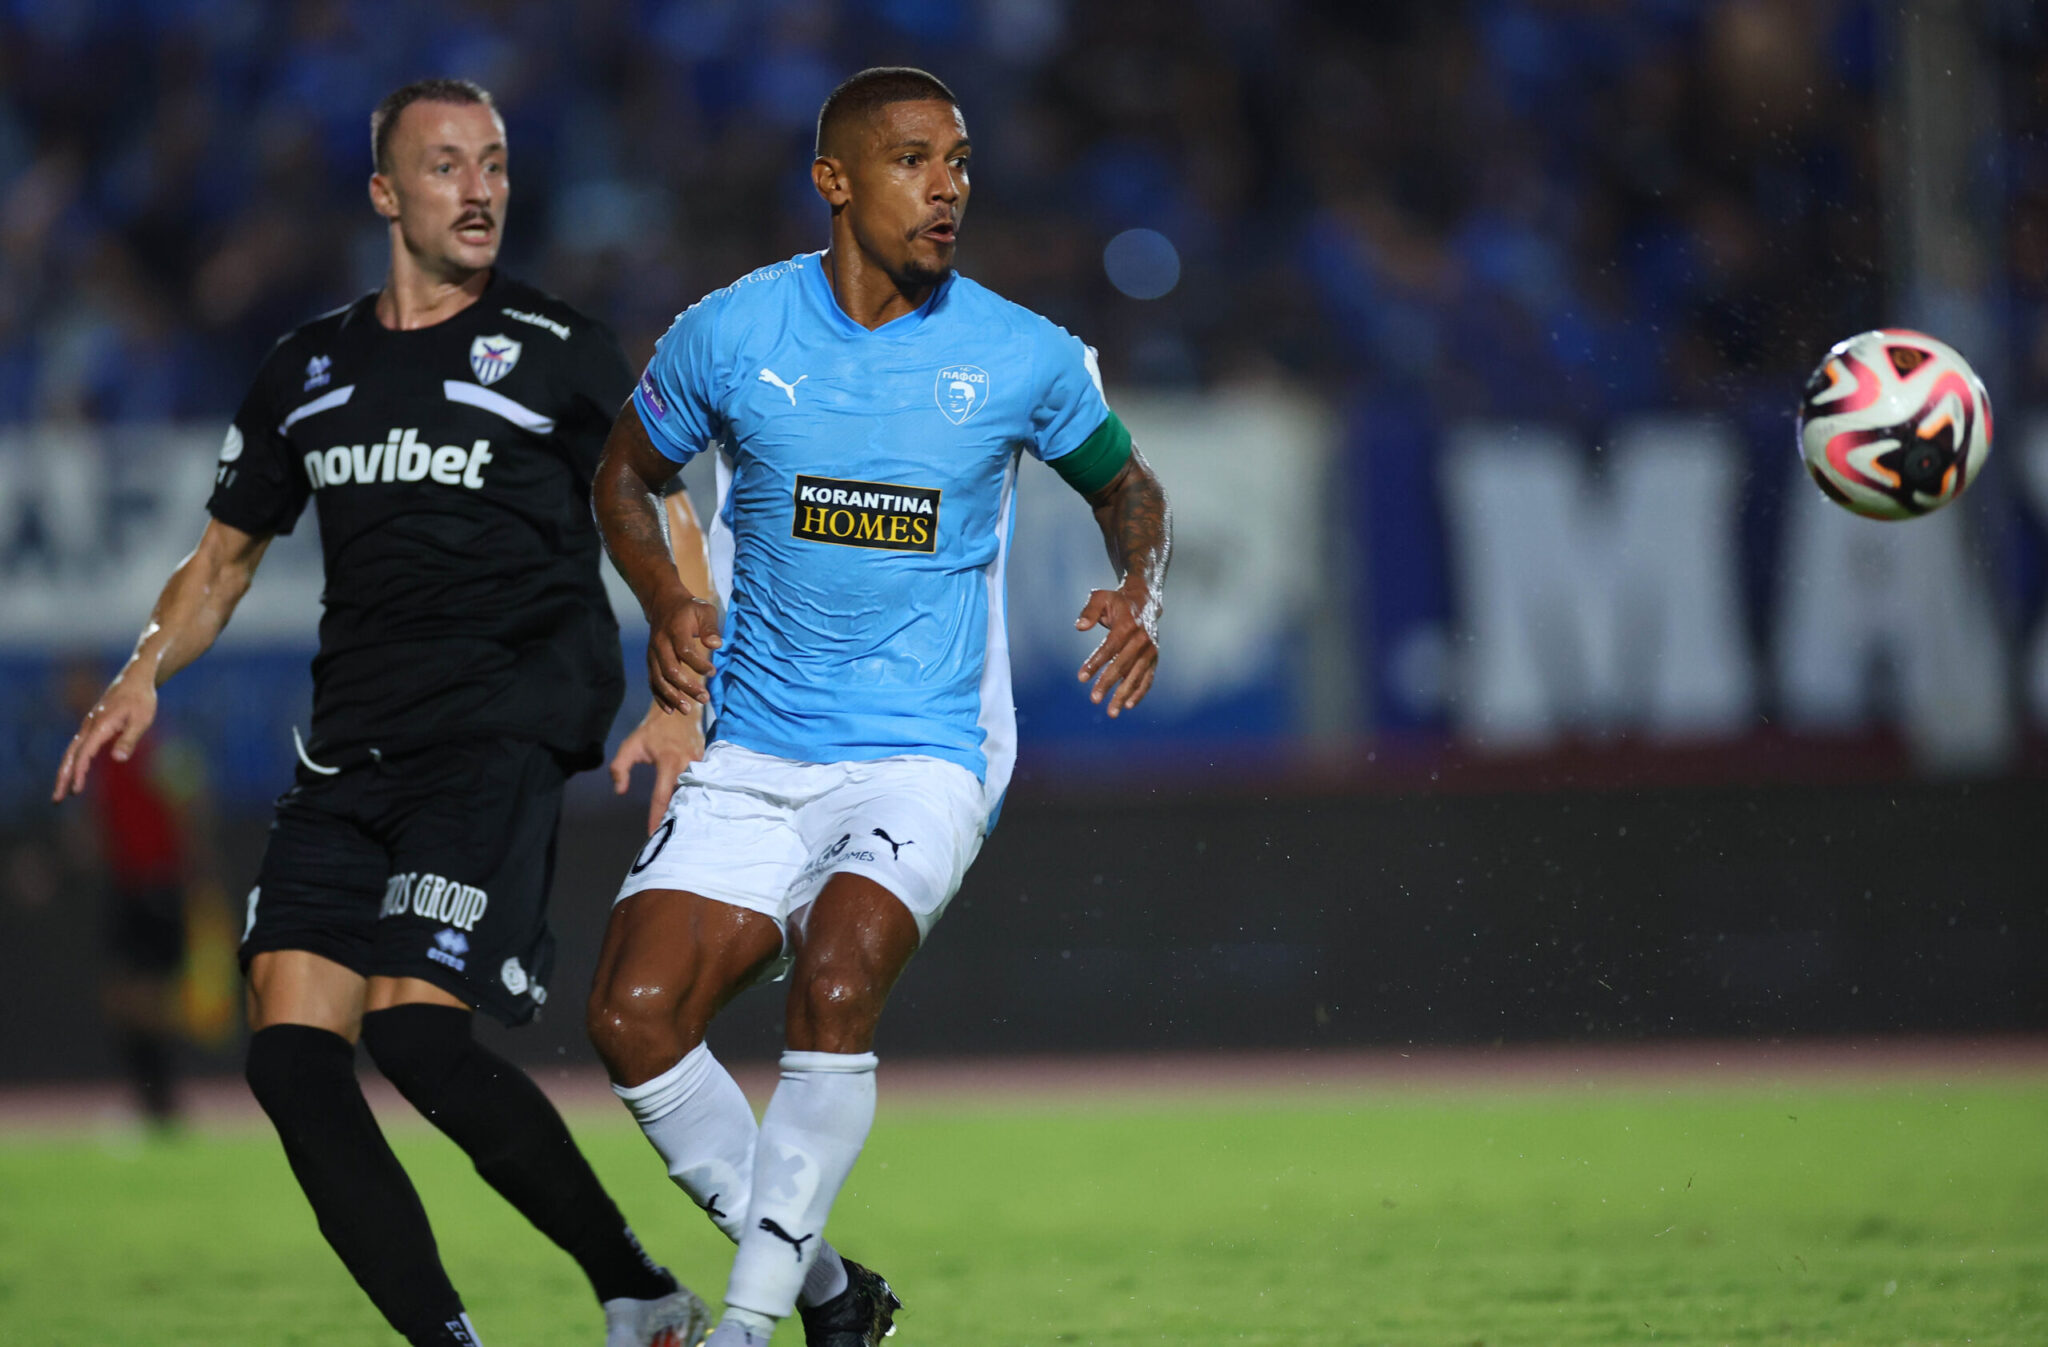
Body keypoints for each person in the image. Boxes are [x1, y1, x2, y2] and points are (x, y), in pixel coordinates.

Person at [53, 78, 713, 1347]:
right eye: (447, 164)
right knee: (289, 1062)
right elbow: (222, 561)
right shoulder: (306, 369)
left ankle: (634, 1289)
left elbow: (663, 511)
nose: (479, 190)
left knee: (415, 1036)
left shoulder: (559, 348)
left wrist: (679, 694)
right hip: (346, 758)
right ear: (384, 193)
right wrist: (144, 669)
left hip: (494, 739)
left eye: (495, 164)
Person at [585, 67, 1173, 1347]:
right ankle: (832, 1296)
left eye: (958, 161)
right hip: (753, 750)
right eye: (912, 160)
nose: (946, 187)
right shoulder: (731, 333)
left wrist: (1140, 588)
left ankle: (746, 1328)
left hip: (923, 752)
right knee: (631, 1020)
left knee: (837, 980)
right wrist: (665, 601)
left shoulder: (1017, 353)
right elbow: (623, 476)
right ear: (834, 183)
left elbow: (1128, 487)